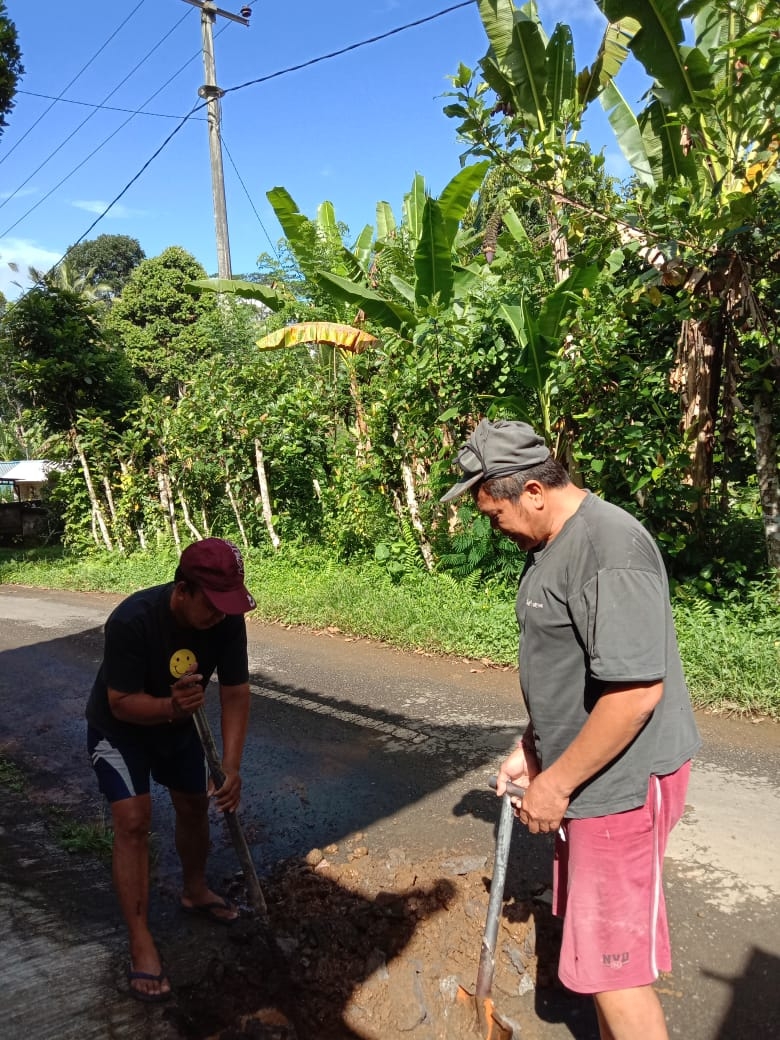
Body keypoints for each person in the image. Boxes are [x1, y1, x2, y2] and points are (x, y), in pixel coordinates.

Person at [441, 419, 700, 1040]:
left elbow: (635, 693)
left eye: (493, 511)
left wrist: (555, 784)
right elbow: (576, 671)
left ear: (533, 490)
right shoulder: (551, 543)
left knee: (616, 970)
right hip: (588, 776)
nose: (492, 526)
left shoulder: (608, 550)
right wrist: (532, 750)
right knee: (605, 960)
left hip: (621, 785)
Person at [86, 537, 257, 1003]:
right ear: (182, 590)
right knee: (134, 819)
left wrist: (230, 767)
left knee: (193, 806)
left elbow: (236, 692)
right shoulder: (131, 620)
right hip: (121, 729)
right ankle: (140, 939)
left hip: (178, 724)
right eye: (212, 605)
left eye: (228, 606)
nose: (220, 616)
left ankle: (195, 890)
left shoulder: (226, 619)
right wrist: (170, 707)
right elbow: (119, 703)